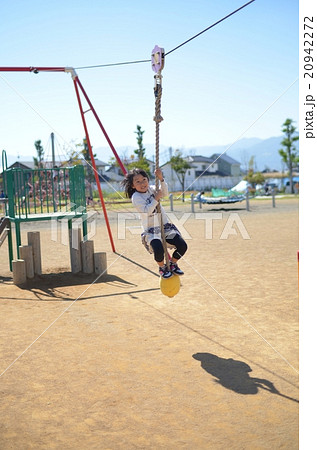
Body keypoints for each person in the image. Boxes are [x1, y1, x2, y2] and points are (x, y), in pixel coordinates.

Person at [122, 168, 187, 279]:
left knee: (182, 246)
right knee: (158, 249)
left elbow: (164, 193)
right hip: (151, 229)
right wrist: (156, 199)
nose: (142, 183)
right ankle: (162, 267)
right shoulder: (136, 197)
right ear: (133, 186)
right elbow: (147, 211)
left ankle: (173, 264)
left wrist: (161, 179)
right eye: (138, 182)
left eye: (144, 179)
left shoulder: (152, 189)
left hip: (164, 226)